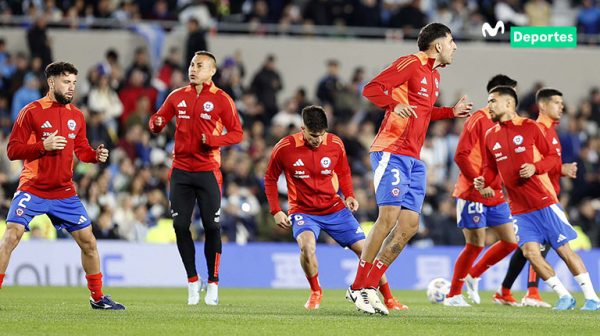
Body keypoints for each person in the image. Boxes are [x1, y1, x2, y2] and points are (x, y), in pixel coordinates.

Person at [346, 22, 473, 314]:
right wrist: (393, 104)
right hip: (391, 150)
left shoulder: (434, 76)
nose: (455, 47)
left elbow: (424, 113)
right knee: (388, 217)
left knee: (409, 225)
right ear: (438, 44)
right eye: (451, 41)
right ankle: (358, 288)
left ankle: (369, 284)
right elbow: (371, 88)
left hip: (414, 159)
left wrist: (451, 113)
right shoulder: (411, 63)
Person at [0, 61, 124, 310]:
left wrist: (94, 155)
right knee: (11, 235)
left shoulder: (76, 115)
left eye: (74, 83)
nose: (71, 88)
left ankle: (97, 298)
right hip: (32, 187)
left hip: (64, 192)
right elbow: (13, 150)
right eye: (66, 82)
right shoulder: (31, 111)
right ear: (51, 82)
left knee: (89, 242)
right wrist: (41, 147)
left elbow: (81, 150)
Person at [264, 105, 406, 314]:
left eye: (321, 135)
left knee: (367, 250)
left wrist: (349, 195)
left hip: (334, 209)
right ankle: (315, 291)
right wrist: (276, 210)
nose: (318, 140)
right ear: (302, 128)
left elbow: (344, 170)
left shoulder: (335, 143)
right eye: (313, 135)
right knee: (307, 247)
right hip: (303, 211)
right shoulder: (284, 147)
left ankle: (390, 298)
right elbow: (270, 178)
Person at [474, 86, 600, 311]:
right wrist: (483, 181)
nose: (489, 106)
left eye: (493, 101)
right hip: (520, 210)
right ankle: (564, 296)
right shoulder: (490, 135)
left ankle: (592, 298)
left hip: (543, 203)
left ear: (509, 104)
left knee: (564, 251)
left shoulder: (530, 127)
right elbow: (490, 168)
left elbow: (552, 158)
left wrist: (535, 167)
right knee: (530, 252)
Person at [149, 51, 243, 306]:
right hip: (180, 171)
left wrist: (214, 141)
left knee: (212, 227)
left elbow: (236, 133)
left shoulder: (222, 100)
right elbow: (157, 120)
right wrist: (156, 123)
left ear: (212, 71)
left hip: (208, 171)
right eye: (191, 64)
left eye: (199, 65)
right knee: (180, 227)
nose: (193, 69)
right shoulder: (177, 96)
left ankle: (213, 283)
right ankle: (193, 280)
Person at [496, 88, 578, 308]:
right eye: (557, 102)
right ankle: (531, 292)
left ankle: (505, 290)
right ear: (542, 105)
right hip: (539, 198)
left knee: (528, 249)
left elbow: (541, 165)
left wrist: (561, 169)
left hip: (547, 195)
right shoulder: (536, 128)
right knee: (538, 247)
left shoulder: (550, 130)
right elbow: (530, 166)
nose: (562, 106)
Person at [444, 75, 520, 307]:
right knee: (475, 243)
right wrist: (479, 181)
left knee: (510, 241)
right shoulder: (478, 119)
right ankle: (453, 295)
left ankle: (473, 275)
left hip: (495, 192)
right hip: (472, 191)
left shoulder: (507, 124)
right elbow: (461, 155)